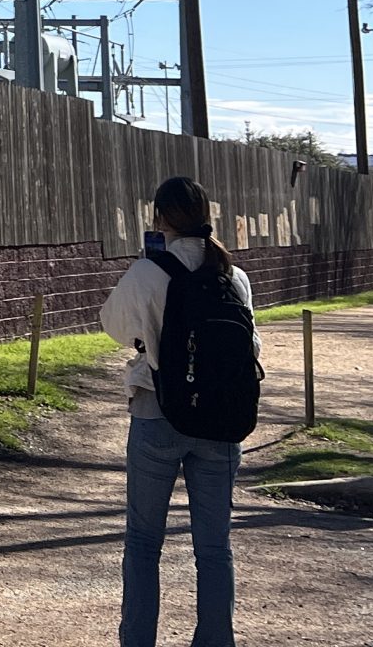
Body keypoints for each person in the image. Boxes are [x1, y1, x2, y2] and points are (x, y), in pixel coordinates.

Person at [99, 174, 256, 647]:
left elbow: (115, 327)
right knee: (214, 547)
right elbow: (250, 345)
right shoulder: (233, 274)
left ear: (160, 218)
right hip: (222, 422)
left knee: (144, 543)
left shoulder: (150, 271)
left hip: (158, 414)